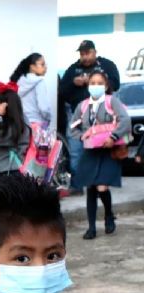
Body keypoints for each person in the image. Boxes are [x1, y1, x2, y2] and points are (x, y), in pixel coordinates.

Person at [68, 69, 131, 240]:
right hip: (90, 151)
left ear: (106, 86)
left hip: (109, 151)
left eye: (99, 83)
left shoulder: (112, 101)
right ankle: (91, 228)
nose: (95, 86)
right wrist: (81, 136)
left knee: (102, 186)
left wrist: (113, 136)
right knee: (90, 188)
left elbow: (125, 120)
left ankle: (109, 215)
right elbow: (72, 126)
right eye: (92, 83)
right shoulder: (83, 105)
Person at [60, 40, 122, 190]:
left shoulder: (106, 65)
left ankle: (100, 182)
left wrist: (96, 83)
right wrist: (74, 83)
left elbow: (116, 84)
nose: (85, 57)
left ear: (95, 52)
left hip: (101, 118)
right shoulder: (73, 69)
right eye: (82, 54)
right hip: (78, 116)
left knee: (101, 152)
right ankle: (77, 184)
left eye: (88, 53)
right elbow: (61, 92)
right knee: (76, 152)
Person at [0, 82, 30, 185]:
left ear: (5, 106)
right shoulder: (6, 123)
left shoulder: (16, 126)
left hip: (10, 173)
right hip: (3, 171)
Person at [9, 53, 52, 128]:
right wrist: (48, 117)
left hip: (22, 125)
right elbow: (43, 108)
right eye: (42, 64)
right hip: (38, 124)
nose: (46, 67)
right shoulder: (39, 82)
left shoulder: (19, 82)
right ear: (32, 67)